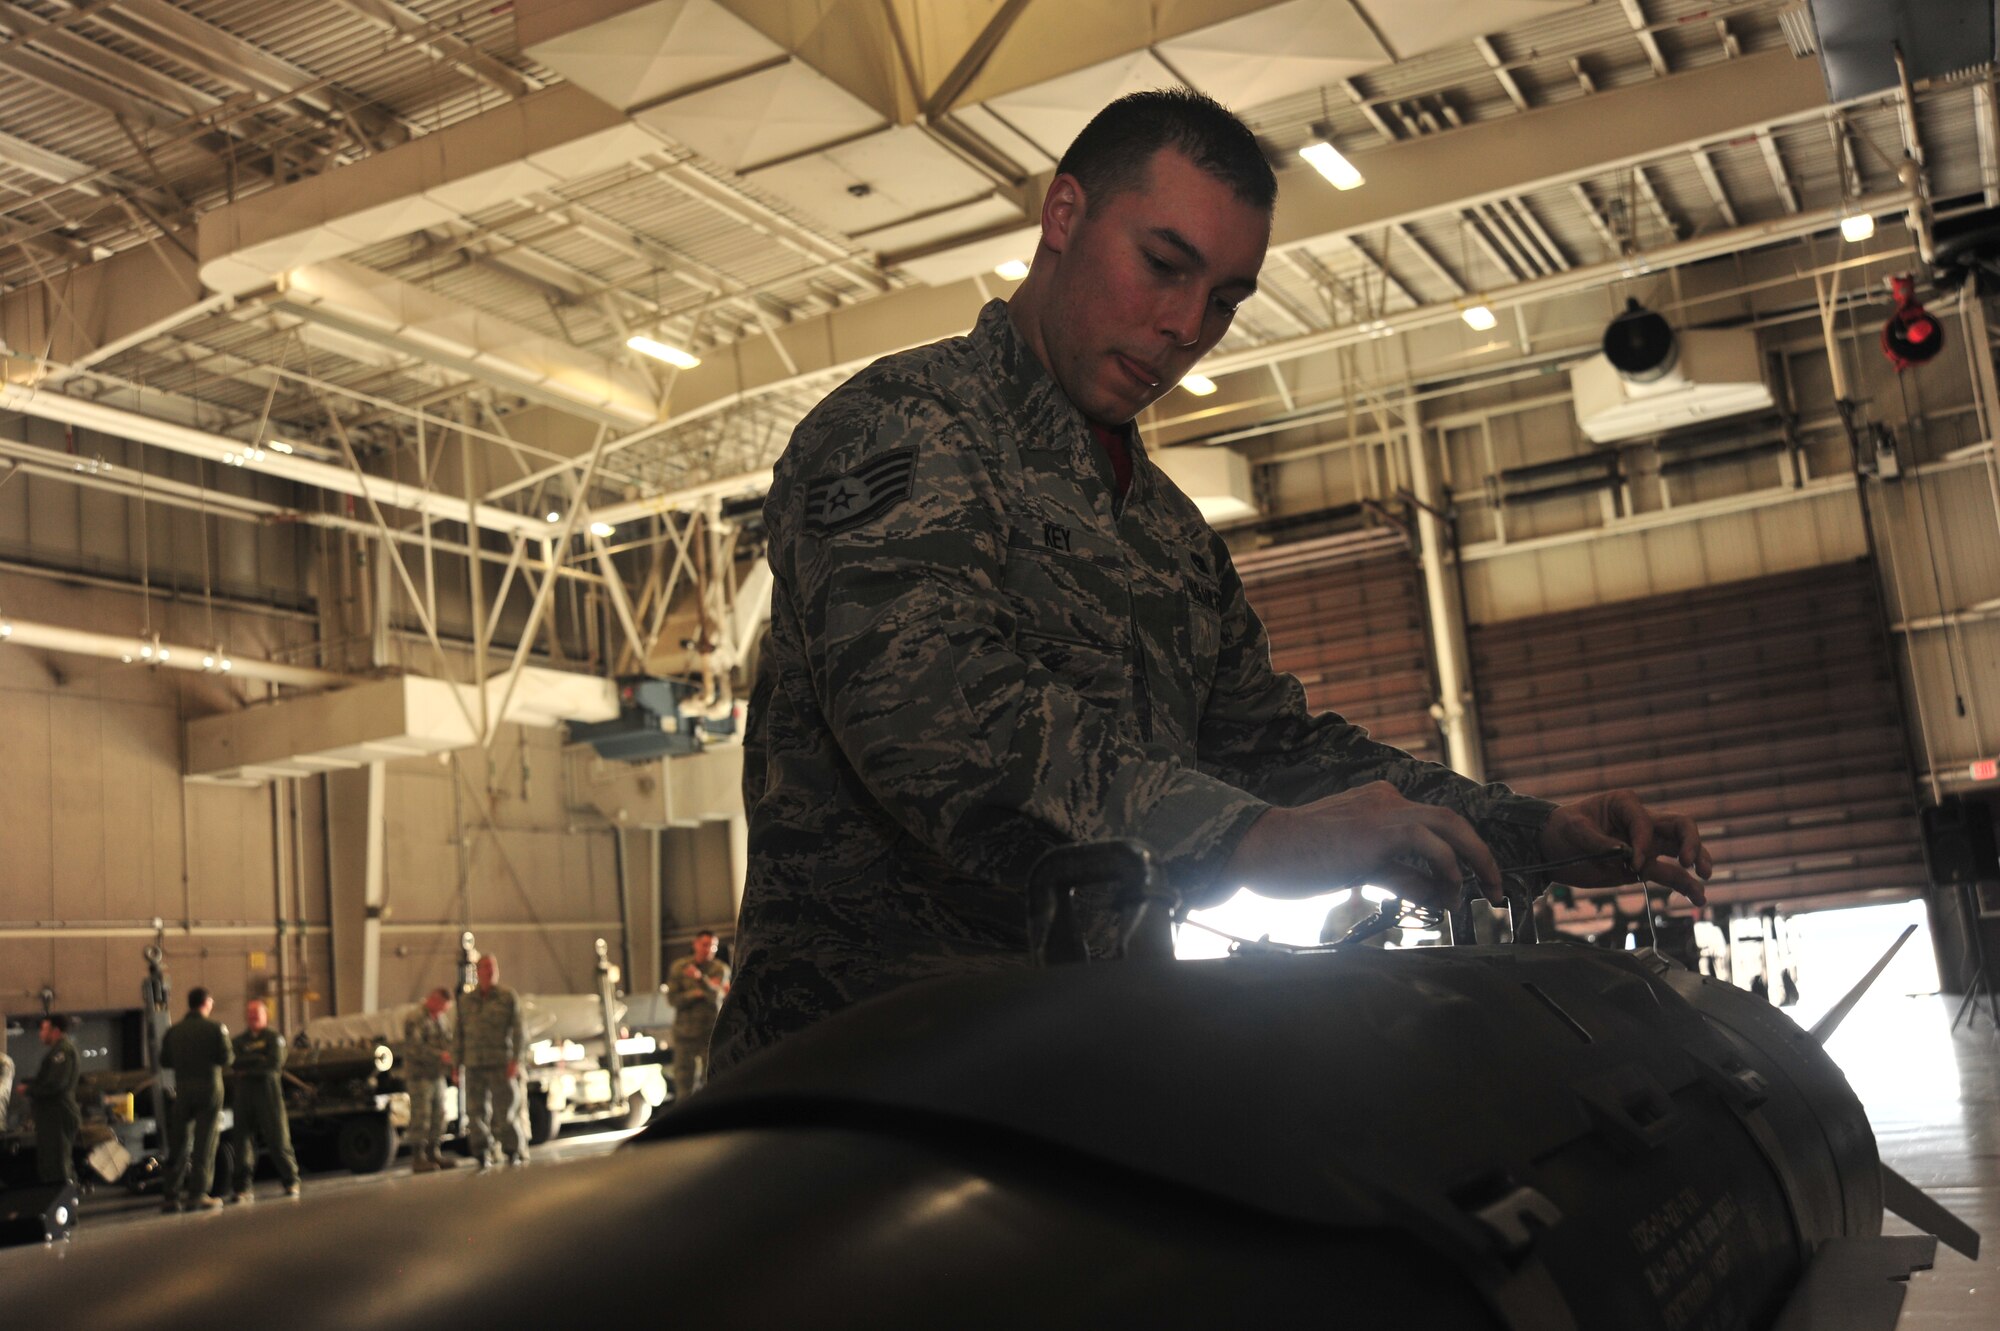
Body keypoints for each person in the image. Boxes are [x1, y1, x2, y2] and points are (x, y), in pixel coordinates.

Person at [709, 88, 1712, 1077]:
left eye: (1225, 300)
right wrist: (1248, 840)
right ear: (1064, 216)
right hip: (860, 1083)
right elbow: (930, 717)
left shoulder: (1165, 532)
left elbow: (1273, 749)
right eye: (1161, 265)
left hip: (1087, 1071)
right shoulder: (902, 426)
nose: (1185, 326)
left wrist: (1527, 829)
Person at [159, 987, 234, 1212]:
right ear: (207, 1002)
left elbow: (165, 1061)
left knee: (179, 1143)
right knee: (205, 1142)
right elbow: (227, 1057)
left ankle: (171, 1195)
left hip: (182, 1090)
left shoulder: (173, 1032)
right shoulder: (215, 1028)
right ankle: (198, 1193)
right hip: (209, 1089)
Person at [229, 1000, 300, 1201]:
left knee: (278, 1139)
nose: (253, 1017)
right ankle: (242, 1187)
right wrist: (258, 1060)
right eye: (250, 1014)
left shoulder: (274, 1038)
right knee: (242, 1143)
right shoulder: (238, 1041)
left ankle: (291, 1180)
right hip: (244, 1097)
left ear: (266, 1016)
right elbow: (233, 1062)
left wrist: (249, 1068)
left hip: (268, 1095)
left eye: (257, 1014)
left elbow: (274, 1063)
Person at [460, 955, 526, 1168]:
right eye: (485, 967)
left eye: (493, 967)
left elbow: (519, 1030)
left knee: (506, 1110)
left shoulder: (507, 997)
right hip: (474, 1064)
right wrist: (455, 1064)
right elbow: (458, 1034)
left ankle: (513, 1151)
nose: (490, 971)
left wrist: (516, 1059)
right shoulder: (466, 1000)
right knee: (474, 1111)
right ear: (477, 972)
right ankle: (482, 1152)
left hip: (500, 1063)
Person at [665, 931, 730, 1098]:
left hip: (710, 1034)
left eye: (713, 946)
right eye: (705, 944)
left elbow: (716, 995)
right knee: (684, 1084)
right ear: (695, 944)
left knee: (714, 1082)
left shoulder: (719, 969)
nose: (708, 949)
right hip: (685, 1035)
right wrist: (697, 993)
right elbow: (673, 1000)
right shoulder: (680, 968)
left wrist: (700, 979)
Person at [403, 987, 457, 1173]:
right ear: (434, 1000)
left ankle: (434, 1152)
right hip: (420, 1076)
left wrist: (453, 1063)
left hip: (437, 1075)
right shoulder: (416, 1018)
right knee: (421, 1116)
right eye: (442, 1007)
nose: (444, 1012)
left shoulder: (440, 1019)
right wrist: (440, 1056)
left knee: (439, 1115)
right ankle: (418, 1158)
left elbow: (448, 1041)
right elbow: (414, 1048)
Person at [25, 1016, 81, 1185]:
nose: (40, 1034)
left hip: (58, 1113)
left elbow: (57, 1084)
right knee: (50, 1162)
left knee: (58, 1163)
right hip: (51, 1115)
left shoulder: (63, 1051)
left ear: (55, 1031)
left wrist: (30, 1089)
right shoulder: (57, 1051)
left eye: (44, 1029)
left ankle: (66, 1204)